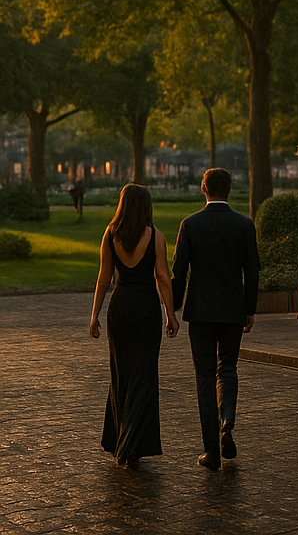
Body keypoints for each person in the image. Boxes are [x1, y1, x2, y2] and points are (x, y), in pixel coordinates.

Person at [171, 167, 260, 471]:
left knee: (205, 376)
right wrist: (250, 308)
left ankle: (211, 450)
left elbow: (179, 270)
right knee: (229, 368)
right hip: (232, 309)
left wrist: (173, 306)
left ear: (203, 189)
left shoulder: (190, 225)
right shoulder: (244, 225)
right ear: (229, 189)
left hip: (201, 311)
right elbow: (253, 270)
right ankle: (228, 419)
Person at [89, 183, 179, 468]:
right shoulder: (155, 237)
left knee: (121, 374)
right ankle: (133, 445)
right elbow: (162, 278)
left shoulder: (110, 235)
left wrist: (94, 315)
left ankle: (120, 442)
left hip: (120, 307)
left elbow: (103, 278)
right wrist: (170, 314)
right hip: (145, 309)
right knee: (144, 376)